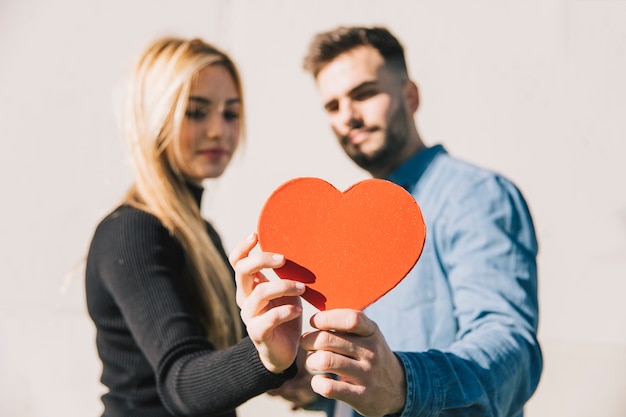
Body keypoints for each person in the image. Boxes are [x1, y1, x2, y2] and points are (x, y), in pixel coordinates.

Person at [245, 26, 542, 417]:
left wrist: (403, 384)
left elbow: (509, 350)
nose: (348, 115)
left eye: (364, 93)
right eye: (332, 106)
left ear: (410, 96)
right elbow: (370, 374)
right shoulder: (350, 227)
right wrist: (311, 382)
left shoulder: (474, 195)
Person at [85, 36, 306, 417]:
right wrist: (266, 358)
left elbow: (226, 363)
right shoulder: (133, 231)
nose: (219, 130)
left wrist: (293, 364)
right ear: (152, 116)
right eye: (196, 112)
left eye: (231, 113)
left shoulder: (201, 234)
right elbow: (183, 384)